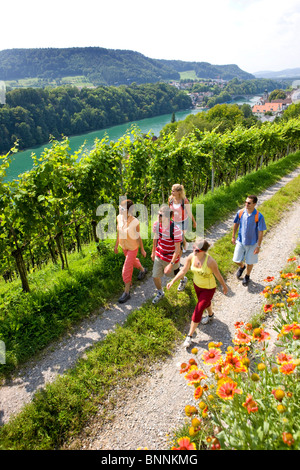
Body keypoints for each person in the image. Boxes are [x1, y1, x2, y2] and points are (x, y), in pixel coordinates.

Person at [166, 239, 228, 348]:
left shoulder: (210, 262)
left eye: (197, 249)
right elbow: (183, 271)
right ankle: (210, 315)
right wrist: (173, 281)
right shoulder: (191, 257)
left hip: (208, 288)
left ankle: (189, 336)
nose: (194, 250)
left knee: (198, 309)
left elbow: (218, 275)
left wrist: (224, 286)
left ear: (203, 251)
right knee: (205, 303)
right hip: (197, 285)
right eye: (193, 247)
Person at [114, 199, 147, 303]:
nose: (119, 209)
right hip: (124, 246)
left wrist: (142, 249)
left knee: (126, 269)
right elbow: (118, 232)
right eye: (119, 207)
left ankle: (127, 292)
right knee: (133, 261)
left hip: (133, 247)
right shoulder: (119, 218)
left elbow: (138, 237)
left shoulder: (135, 222)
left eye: (122, 208)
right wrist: (116, 246)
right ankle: (143, 270)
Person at [232, 195, 267, 286]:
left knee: (250, 262)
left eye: (249, 203)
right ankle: (242, 267)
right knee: (236, 260)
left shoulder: (259, 216)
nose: (246, 204)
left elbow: (260, 232)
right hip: (240, 241)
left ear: (254, 204)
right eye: (246, 202)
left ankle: (247, 276)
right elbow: (236, 224)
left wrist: (258, 246)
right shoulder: (240, 213)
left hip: (252, 243)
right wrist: (233, 236)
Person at [151, 205, 182, 304]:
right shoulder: (156, 225)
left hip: (171, 258)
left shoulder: (175, 230)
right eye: (158, 214)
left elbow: (177, 250)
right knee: (155, 276)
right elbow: (155, 237)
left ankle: (183, 278)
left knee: (174, 275)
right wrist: (153, 251)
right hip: (159, 255)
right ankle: (160, 293)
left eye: (160, 215)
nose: (158, 217)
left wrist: (171, 264)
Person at [168, 184, 197, 292]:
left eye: (173, 191)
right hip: (174, 222)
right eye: (171, 191)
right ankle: (184, 245)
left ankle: (178, 259)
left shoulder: (184, 201)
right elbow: (170, 212)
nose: (171, 193)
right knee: (177, 241)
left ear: (179, 192)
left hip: (183, 223)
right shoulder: (170, 199)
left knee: (178, 242)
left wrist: (194, 222)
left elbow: (189, 212)